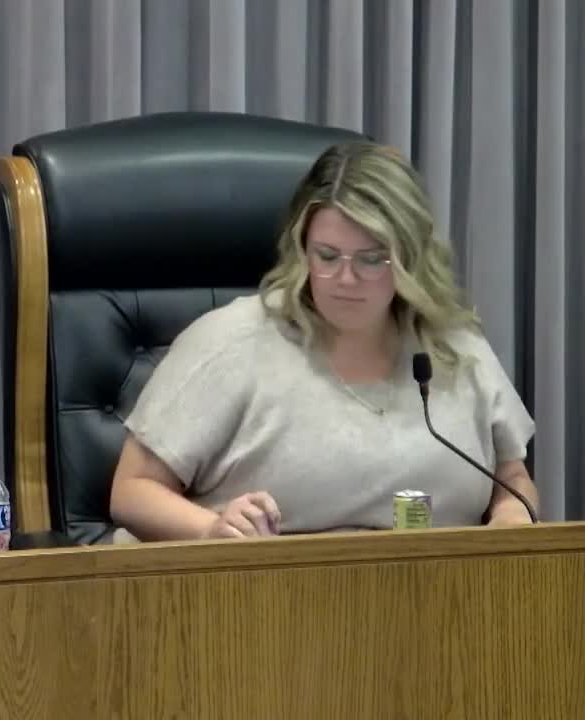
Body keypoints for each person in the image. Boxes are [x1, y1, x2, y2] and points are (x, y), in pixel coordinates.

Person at [109, 141, 538, 541]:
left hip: (437, 588)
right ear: (302, 250)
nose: (346, 279)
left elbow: (512, 481)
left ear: (410, 258)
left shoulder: (453, 345)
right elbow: (131, 490)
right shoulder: (232, 342)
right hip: (261, 588)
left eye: (372, 259)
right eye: (328, 256)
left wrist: (512, 521)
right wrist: (213, 528)